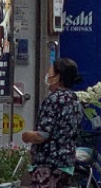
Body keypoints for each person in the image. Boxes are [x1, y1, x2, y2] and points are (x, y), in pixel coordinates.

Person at [22, 57, 82, 188]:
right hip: (67, 162)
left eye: (50, 72)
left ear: (57, 77)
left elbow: (42, 135)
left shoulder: (53, 100)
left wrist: (26, 136)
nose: (47, 75)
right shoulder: (75, 100)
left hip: (49, 164)